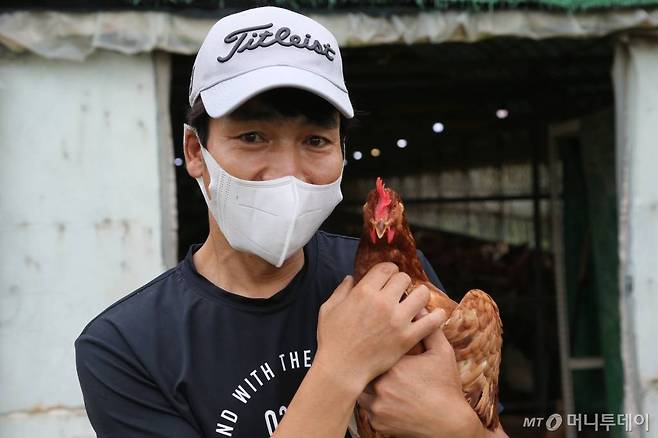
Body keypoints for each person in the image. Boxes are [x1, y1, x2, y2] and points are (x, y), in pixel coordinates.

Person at [75, 6, 507, 438]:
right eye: (252, 137)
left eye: (315, 141)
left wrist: (457, 428)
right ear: (194, 152)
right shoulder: (126, 347)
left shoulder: (395, 284)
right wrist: (341, 367)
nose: (287, 171)